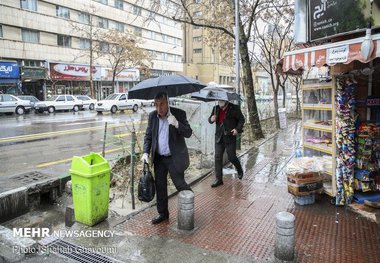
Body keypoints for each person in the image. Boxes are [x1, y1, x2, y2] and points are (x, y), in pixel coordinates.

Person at [141, 92, 193, 224]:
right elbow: (148, 136)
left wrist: (176, 124)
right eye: (156, 104)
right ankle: (163, 213)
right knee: (160, 186)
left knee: (180, 184)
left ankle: (190, 204)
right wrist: (145, 152)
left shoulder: (178, 114)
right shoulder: (153, 116)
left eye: (162, 104)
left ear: (167, 102)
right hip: (159, 158)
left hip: (174, 157)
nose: (159, 108)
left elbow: (188, 133)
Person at [208, 100, 245, 187]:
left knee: (231, 157)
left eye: (222, 102)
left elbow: (241, 119)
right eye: (219, 102)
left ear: (226, 101)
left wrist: (237, 129)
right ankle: (219, 179)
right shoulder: (215, 108)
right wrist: (211, 119)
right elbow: (210, 119)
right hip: (219, 137)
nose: (220, 104)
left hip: (230, 136)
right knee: (217, 157)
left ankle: (239, 169)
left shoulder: (234, 108)